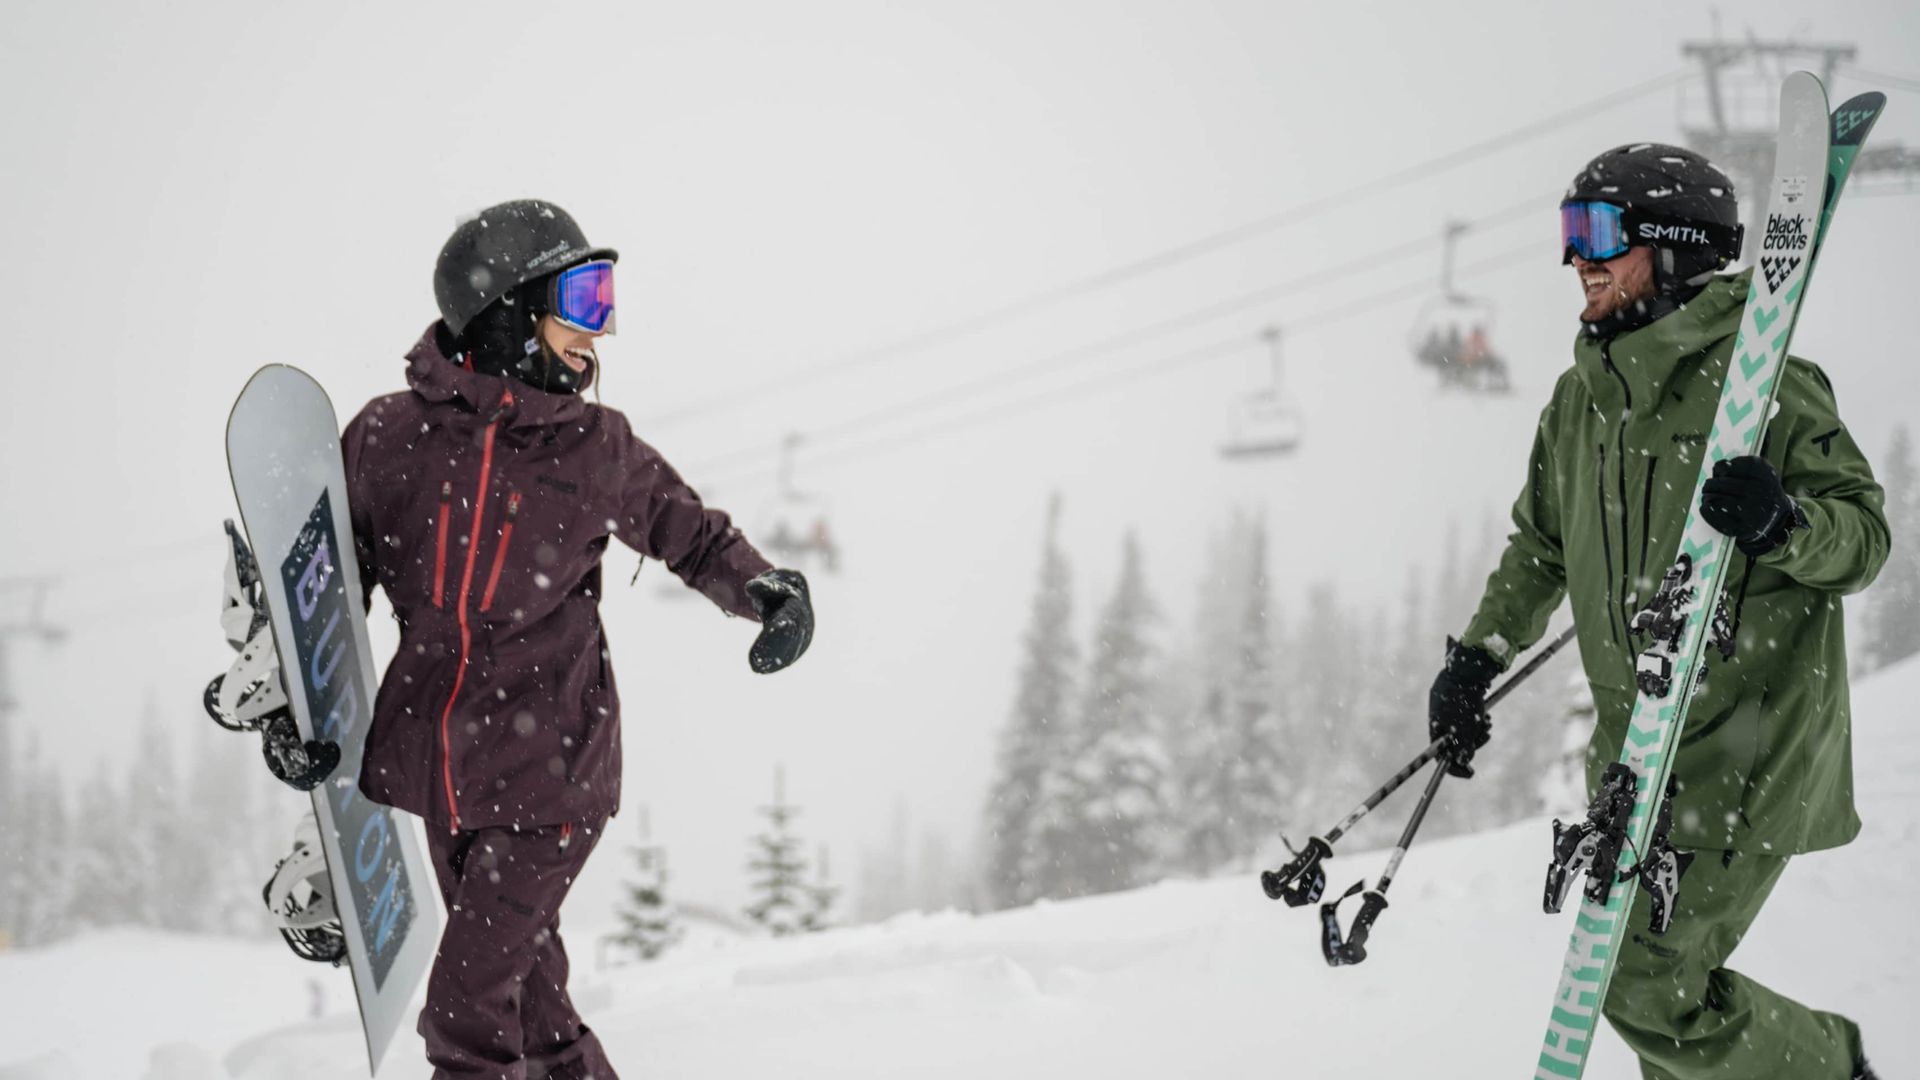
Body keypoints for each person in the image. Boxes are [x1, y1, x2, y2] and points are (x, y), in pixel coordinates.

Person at [1427, 145, 1887, 1080]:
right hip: (1637, 759)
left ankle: (1833, 1067)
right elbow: (1540, 547)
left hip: (1748, 755)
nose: (1577, 261)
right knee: (1657, 1007)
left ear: (1672, 246)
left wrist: (1784, 522)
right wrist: (1477, 659)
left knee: (1641, 983)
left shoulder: (1766, 388)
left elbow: (1863, 541)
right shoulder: (1579, 401)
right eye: (1569, 235)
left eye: (1597, 233)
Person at [342, 198, 814, 1079]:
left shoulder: (593, 447)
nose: (598, 333)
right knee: (531, 1003)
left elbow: (690, 531)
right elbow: (333, 586)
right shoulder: (386, 440)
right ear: (509, 311)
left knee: (466, 1014)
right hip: (441, 770)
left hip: (551, 771)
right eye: (583, 301)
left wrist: (763, 591)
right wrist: (296, 701)